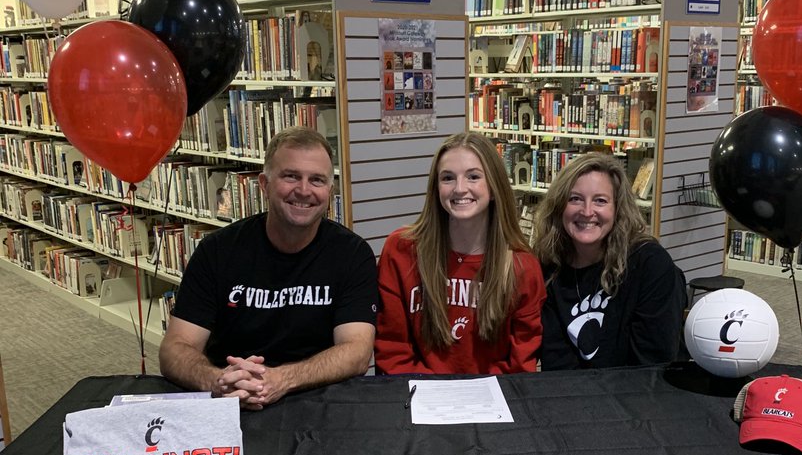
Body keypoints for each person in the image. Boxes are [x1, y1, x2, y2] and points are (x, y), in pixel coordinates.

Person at [159, 127, 377, 409]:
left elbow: (357, 351)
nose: (304, 190)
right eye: (291, 176)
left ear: (329, 190)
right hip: (230, 400)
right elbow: (174, 349)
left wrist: (282, 379)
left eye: (317, 180)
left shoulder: (352, 254)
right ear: (264, 184)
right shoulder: (217, 251)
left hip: (317, 403)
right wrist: (217, 381)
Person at [375, 132, 545, 374]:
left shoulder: (522, 266)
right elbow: (392, 350)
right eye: (447, 178)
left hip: (492, 403)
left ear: (495, 187)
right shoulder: (401, 250)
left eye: (474, 176)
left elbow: (520, 365)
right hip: (419, 399)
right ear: (435, 188)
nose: (460, 188)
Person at [533, 152, 686, 369]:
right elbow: (555, 362)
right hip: (567, 395)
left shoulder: (650, 264)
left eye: (600, 201)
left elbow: (652, 365)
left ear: (617, 209)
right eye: (575, 198)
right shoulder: (548, 265)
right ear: (559, 206)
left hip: (633, 397)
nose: (587, 211)